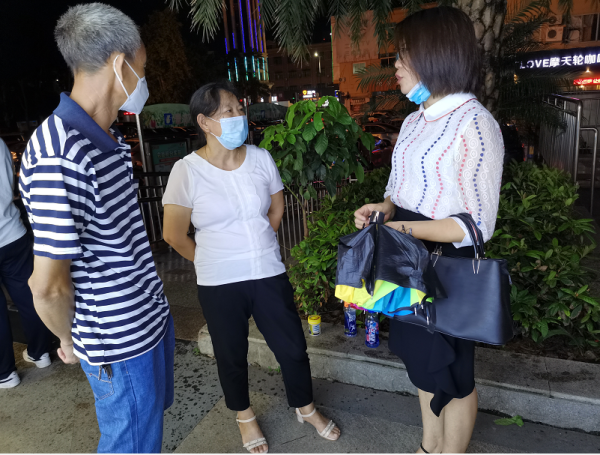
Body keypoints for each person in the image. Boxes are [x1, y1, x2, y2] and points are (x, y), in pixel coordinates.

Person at [19, 4, 174, 452]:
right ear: (120, 64)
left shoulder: (106, 137)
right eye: (143, 67)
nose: (144, 80)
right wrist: (69, 339)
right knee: (131, 444)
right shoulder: (58, 154)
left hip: (148, 319)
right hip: (117, 343)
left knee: (147, 435)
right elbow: (47, 286)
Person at [353, 7, 504, 454]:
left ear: (436, 55)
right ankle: (428, 446)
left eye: (404, 55)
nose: (396, 65)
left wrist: (404, 227)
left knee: (453, 373)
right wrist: (382, 210)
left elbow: (477, 225)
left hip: (445, 266)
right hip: (404, 258)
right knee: (420, 361)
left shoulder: (476, 123)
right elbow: (397, 191)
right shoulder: (414, 120)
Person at [162, 82, 341, 453]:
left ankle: (305, 407)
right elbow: (173, 234)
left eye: (239, 109)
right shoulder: (187, 170)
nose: (239, 116)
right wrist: (210, 260)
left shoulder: (260, 158)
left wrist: (259, 244)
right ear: (205, 122)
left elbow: (276, 207)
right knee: (231, 354)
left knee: (292, 347)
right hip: (219, 281)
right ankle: (244, 416)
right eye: (228, 111)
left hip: (267, 271)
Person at [0, 138, 52, 389]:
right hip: (12, 233)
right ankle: (40, 352)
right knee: (29, 295)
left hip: (12, 235)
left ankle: (5, 373)